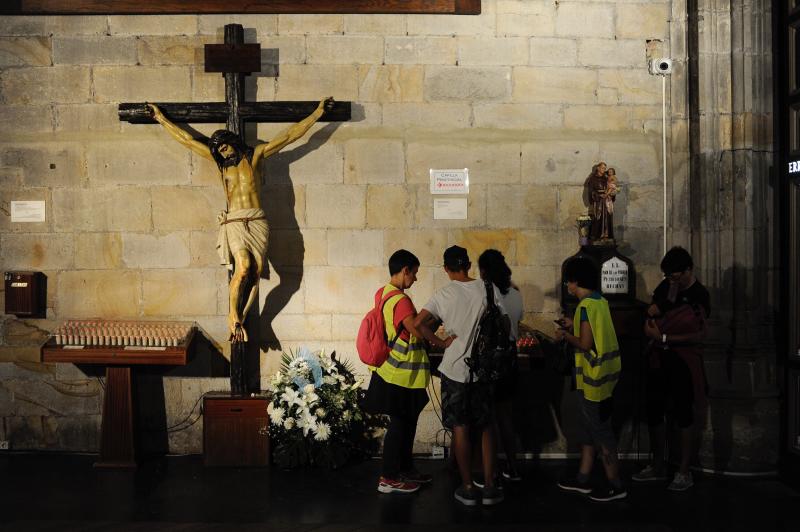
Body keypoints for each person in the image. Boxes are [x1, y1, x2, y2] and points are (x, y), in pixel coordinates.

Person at [148, 98, 333, 343]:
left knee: (255, 275)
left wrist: (317, 113)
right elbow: (188, 141)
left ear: (232, 141)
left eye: (225, 146)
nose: (223, 152)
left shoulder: (256, 156)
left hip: (256, 221)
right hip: (235, 222)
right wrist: (161, 118)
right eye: (220, 150)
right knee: (243, 267)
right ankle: (233, 316)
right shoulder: (221, 166)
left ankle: (240, 319)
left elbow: (290, 136)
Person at [414, 245, 507, 507]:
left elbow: (419, 323)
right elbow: (506, 325)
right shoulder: (488, 289)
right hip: (484, 371)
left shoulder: (444, 293)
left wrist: (440, 343)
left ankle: (467, 488)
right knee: (487, 427)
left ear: (446, 269)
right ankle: (489, 487)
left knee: (461, 427)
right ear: (468, 265)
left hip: (455, 370)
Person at [364, 249, 447, 494]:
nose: (415, 279)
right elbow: (417, 331)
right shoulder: (401, 300)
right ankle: (389, 477)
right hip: (401, 373)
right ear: (404, 271)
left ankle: (405, 469)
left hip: (392, 370)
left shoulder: (383, 293)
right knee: (400, 424)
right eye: (414, 273)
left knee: (407, 422)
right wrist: (441, 340)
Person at [633, 246, 710, 491]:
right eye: (668, 276)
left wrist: (664, 337)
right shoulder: (667, 287)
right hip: (658, 360)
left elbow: (698, 334)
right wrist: (652, 317)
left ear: (688, 270)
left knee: (683, 414)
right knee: (655, 411)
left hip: (683, 362)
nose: (671, 280)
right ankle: (657, 465)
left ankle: (684, 470)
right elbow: (653, 309)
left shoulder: (700, 295)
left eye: (675, 276)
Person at [555, 256, 626, 502]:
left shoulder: (584, 306)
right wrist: (571, 324)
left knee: (601, 432)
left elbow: (585, 343)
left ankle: (615, 484)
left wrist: (565, 335)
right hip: (606, 376)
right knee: (589, 429)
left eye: (568, 282)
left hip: (593, 379)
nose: (567, 287)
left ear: (575, 281)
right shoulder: (600, 302)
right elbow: (594, 333)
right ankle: (583, 479)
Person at [477, 249, 524, 482]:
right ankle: (513, 466)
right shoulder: (515, 294)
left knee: (487, 420)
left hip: (489, 360)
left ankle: (490, 470)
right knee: (506, 416)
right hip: (510, 357)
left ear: (484, 271)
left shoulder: (485, 294)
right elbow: (517, 322)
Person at [584, 161, 615, 242]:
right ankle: (597, 236)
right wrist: (598, 195)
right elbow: (591, 192)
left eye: (605, 168)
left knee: (607, 217)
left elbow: (611, 188)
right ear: (598, 168)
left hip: (607, 202)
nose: (603, 169)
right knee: (598, 217)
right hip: (598, 202)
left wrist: (612, 194)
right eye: (602, 168)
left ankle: (607, 235)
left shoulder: (606, 178)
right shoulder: (592, 179)